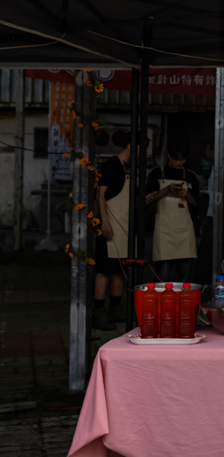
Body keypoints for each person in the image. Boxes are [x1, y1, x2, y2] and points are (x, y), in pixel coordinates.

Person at [93, 133, 133, 331]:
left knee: (120, 269)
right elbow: (100, 193)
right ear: (131, 145)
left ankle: (115, 307)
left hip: (124, 226)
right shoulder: (112, 164)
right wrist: (105, 221)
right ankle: (98, 312)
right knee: (104, 270)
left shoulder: (129, 168)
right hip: (109, 225)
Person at [146, 141, 199, 284]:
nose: (179, 162)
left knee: (185, 278)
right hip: (163, 231)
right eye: (176, 159)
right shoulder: (157, 173)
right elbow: (149, 199)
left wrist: (186, 194)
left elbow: (196, 203)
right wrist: (166, 190)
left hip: (184, 232)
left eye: (182, 160)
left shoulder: (191, 176)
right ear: (168, 156)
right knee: (163, 277)